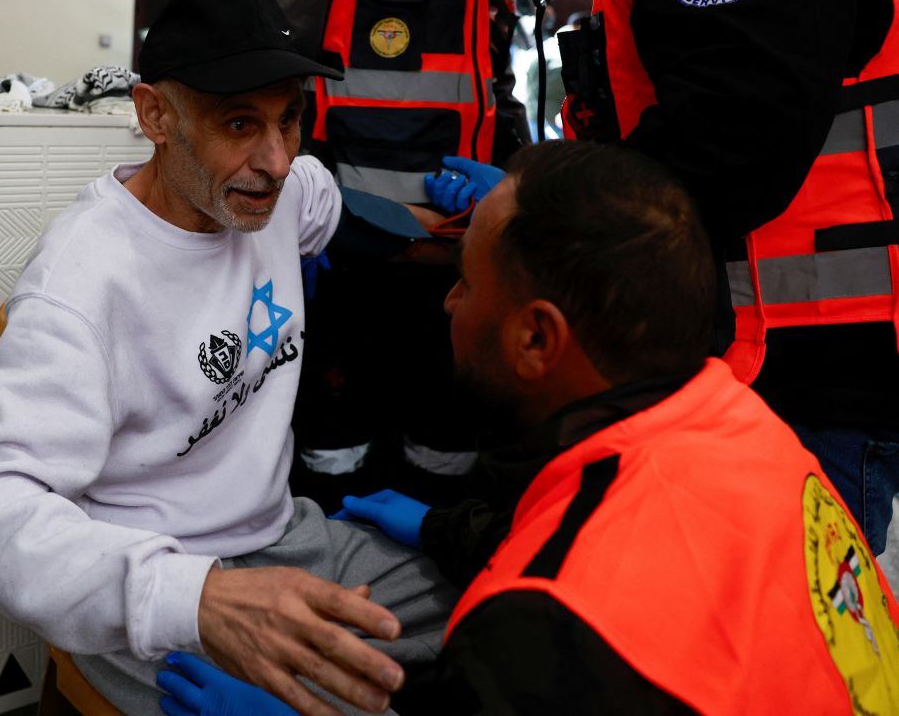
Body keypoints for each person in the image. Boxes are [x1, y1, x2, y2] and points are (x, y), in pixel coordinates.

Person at [159, 140, 899, 714]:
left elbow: (586, 613)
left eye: (467, 281)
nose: (447, 303)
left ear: (538, 340)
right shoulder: (746, 426)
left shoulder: (538, 624)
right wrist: (448, 529)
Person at [0, 0, 459, 716]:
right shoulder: (82, 284)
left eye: (289, 120)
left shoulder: (278, 193)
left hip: (288, 538)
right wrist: (193, 599)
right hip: (161, 582)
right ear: (156, 115)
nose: (274, 161)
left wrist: (493, 230)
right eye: (240, 124)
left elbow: (351, 212)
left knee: (491, 611)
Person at [431, 0, 899, 590]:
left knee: (750, 640)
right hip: (781, 367)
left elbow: (728, 150)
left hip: (802, 377)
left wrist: (543, 204)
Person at [258, 0, 530, 507]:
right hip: (351, 246)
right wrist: (293, 206)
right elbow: (268, 51)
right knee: (336, 448)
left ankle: (433, 572)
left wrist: (512, 182)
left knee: (446, 448)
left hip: (459, 254)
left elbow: (493, 84)